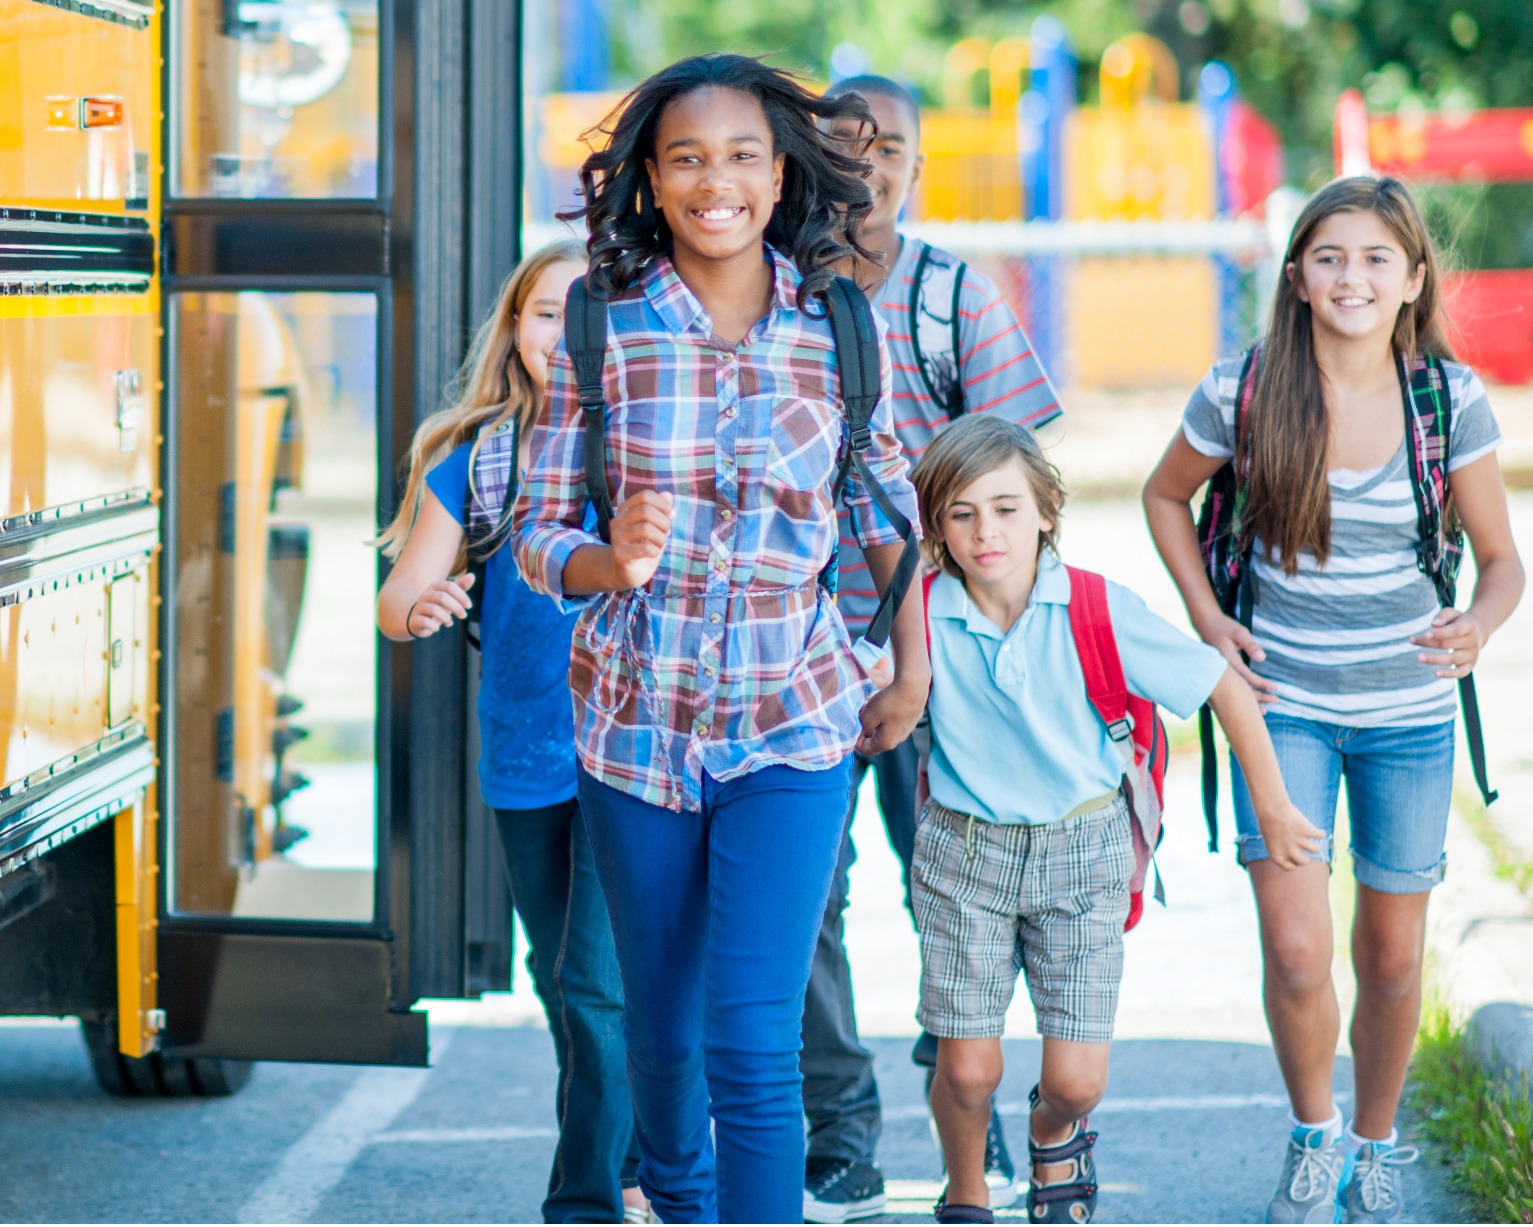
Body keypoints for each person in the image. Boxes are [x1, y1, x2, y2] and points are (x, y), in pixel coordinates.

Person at [510, 54, 930, 1225]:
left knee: (752, 1037)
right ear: (649, 175)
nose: (717, 182)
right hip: (636, 732)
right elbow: (539, 532)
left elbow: (883, 509)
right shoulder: (605, 323)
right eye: (687, 157)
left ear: (781, 169)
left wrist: (916, 663)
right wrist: (608, 559)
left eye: (743, 154)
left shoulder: (838, 328)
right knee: (662, 1034)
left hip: (793, 722)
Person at [1143, 175, 1524, 1224]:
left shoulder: (1450, 400)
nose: (1351, 276)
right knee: (1300, 947)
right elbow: (1165, 495)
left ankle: (1377, 1142)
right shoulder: (1246, 390)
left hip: (1409, 714)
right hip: (1283, 704)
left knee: (1393, 953)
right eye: (1330, 257)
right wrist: (1206, 620)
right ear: (1299, 277)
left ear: (1413, 280)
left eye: (1375, 259)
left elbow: (1502, 563)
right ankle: (1314, 1137)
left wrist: (1479, 625)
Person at [910, 412, 1314, 1225]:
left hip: (1082, 850)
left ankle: (1051, 1133)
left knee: (1076, 1082)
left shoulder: (1096, 606)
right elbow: (881, 704)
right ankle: (965, 1193)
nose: (984, 531)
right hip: (963, 853)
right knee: (964, 1070)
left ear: (1046, 511)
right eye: (960, 514)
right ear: (936, 531)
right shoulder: (919, 613)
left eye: (1004, 507)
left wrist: (1272, 807)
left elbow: (1223, 688)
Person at [800, 74, 1064, 1224]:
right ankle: (838, 1130)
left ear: (916, 165)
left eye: (890, 147)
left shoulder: (954, 294)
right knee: (806, 894)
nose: (867, 166)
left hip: (939, 644)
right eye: (843, 147)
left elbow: (1024, 480)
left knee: (951, 891)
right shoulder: (769, 293)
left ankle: (970, 1103)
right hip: (800, 643)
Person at [375, 241, 648, 1225]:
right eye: (542, 311)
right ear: (516, 331)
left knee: (594, 987)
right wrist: (424, 605)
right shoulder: (482, 456)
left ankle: (593, 1197)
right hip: (529, 759)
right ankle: (636, 1160)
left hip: (634, 758)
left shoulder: (653, 441)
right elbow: (397, 595)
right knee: (565, 984)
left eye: (584, 308)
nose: (561, 328)